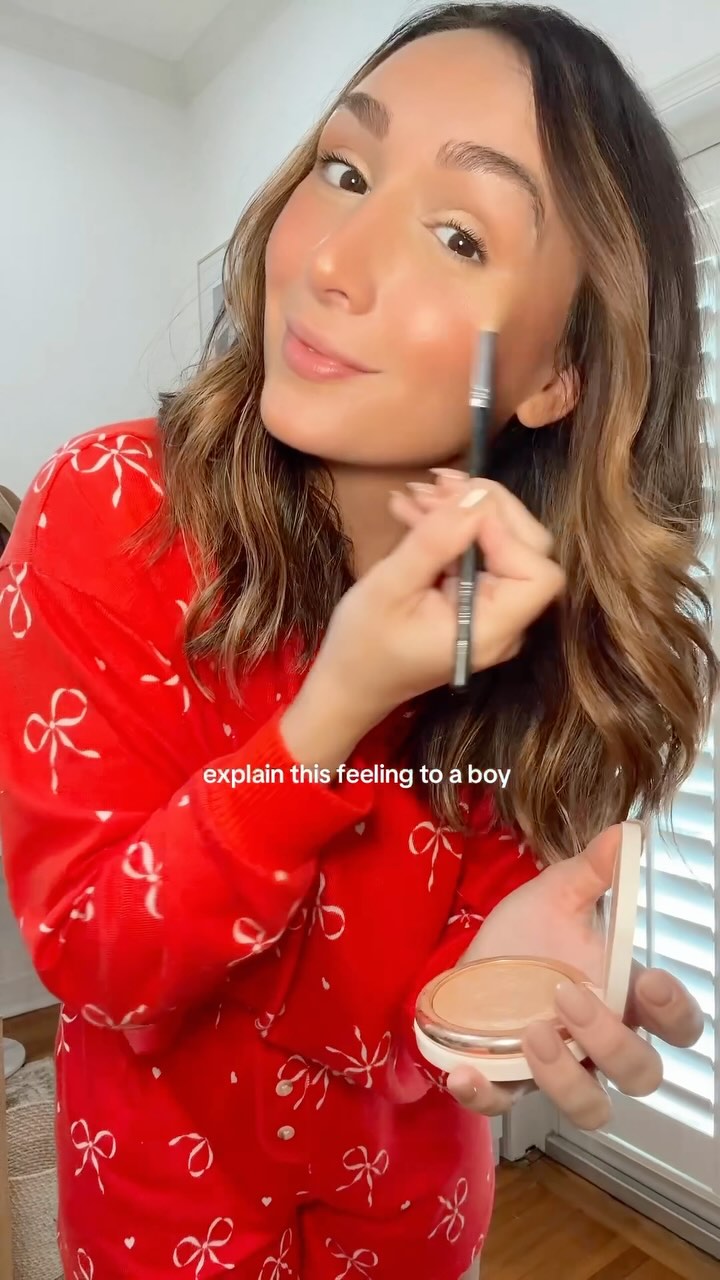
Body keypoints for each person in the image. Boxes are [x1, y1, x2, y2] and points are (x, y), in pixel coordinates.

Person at [0, 4, 715, 1277]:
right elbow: (99, 964)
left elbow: (442, 957)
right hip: (164, 1216)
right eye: (344, 170)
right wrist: (334, 705)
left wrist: (502, 969)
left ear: (557, 375)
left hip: (413, 1220)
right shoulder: (111, 512)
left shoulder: (527, 606)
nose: (334, 260)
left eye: (459, 235)